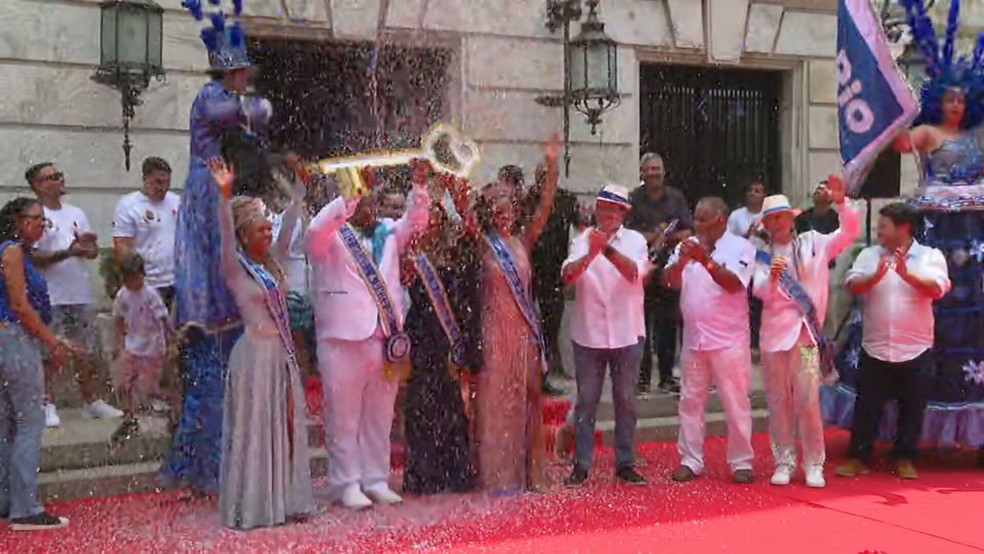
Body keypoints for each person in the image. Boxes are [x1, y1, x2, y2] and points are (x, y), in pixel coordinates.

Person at [822, 3, 984, 458]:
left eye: (961, 99)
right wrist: (898, 96)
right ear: (940, 101)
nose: (956, 104)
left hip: (974, 233)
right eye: (949, 98)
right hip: (936, 226)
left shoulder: (978, 137)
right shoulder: (927, 133)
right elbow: (895, 140)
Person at [164, 2, 274, 493]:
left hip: (217, 187)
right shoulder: (212, 97)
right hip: (207, 189)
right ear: (230, 71)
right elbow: (255, 113)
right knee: (210, 254)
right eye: (242, 71)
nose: (247, 79)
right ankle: (201, 307)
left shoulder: (224, 99)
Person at [306, 162, 430, 510]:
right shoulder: (330, 235)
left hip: (385, 338)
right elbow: (315, 231)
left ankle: (375, 478)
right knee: (343, 417)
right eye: (364, 200)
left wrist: (419, 187)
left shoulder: (389, 232)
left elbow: (417, 221)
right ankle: (346, 482)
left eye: (374, 201)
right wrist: (348, 198)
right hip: (342, 338)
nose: (371, 208)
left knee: (380, 414)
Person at [208, 157, 315, 529]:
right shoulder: (235, 268)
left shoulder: (275, 263)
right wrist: (224, 196)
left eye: (268, 230)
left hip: (280, 355)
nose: (268, 235)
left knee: (284, 426)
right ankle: (254, 506)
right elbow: (222, 236)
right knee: (256, 431)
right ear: (243, 235)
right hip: (252, 355)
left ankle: (283, 500)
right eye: (259, 231)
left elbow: (289, 227)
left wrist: (300, 188)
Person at [751, 175, 860, 488]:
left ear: (791, 218)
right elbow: (758, 292)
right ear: (766, 224)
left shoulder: (814, 242)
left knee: (808, 400)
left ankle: (814, 463)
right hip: (774, 338)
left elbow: (849, 232)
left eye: (782, 217)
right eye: (771, 219)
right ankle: (783, 460)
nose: (777, 223)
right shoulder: (761, 255)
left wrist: (842, 202)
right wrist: (772, 278)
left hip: (807, 337)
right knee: (778, 400)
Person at [833, 203, 950, 479]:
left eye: (883, 227)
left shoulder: (930, 256)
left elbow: (938, 289)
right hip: (875, 345)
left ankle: (905, 457)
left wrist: (907, 274)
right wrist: (877, 275)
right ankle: (859, 457)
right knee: (867, 405)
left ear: (904, 228)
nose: (879, 232)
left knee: (912, 406)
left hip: (916, 346)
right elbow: (853, 285)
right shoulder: (870, 255)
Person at [475, 134, 560, 494]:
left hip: (524, 330)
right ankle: (495, 476)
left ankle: (531, 474)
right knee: (495, 402)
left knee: (528, 399)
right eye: (496, 206)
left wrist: (552, 166)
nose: (503, 211)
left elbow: (544, 208)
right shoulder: (480, 243)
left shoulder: (523, 241)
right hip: (494, 329)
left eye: (508, 205)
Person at [664, 197, 756, 484]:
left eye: (703, 219)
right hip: (694, 340)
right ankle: (690, 459)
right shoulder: (686, 245)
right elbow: (668, 282)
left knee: (735, 402)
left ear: (721, 219)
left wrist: (705, 259)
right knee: (690, 402)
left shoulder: (743, 247)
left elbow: (732, 283)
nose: (697, 225)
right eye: (696, 219)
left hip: (729, 340)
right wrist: (680, 262)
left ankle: (742, 461)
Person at [561, 185, 648, 487]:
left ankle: (625, 463)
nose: (607, 215)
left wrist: (606, 250)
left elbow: (634, 273)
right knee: (587, 402)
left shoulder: (635, 240)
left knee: (626, 401)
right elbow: (568, 276)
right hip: (589, 334)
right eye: (603, 209)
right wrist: (590, 252)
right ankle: (581, 464)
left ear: (624, 213)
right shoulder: (581, 240)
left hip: (627, 332)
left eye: (614, 210)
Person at [402, 171, 483, 496]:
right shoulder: (409, 255)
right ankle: (423, 475)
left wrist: (458, 196)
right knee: (422, 407)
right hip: (422, 338)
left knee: (451, 408)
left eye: (438, 218)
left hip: (448, 340)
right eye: (429, 219)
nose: (433, 224)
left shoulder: (456, 252)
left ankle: (455, 471)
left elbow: (474, 239)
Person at [27, 162, 123, 428]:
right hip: (49, 296)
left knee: (87, 352)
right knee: (50, 354)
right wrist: (69, 251)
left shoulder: (76, 213)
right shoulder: (35, 214)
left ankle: (92, 401)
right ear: (38, 184)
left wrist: (87, 247)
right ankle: (47, 403)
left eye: (60, 175)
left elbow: (90, 252)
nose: (60, 180)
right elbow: (33, 256)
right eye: (52, 177)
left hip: (79, 293)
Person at [0, 197, 73, 530]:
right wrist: (51, 340)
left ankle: (7, 498)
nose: (43, 225)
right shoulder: (13, 251)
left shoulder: (14, 251)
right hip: (14, 338)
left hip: (8, 339)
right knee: (30, 421)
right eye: (37, 219)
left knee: (7, 425)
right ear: (17, 220)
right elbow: (19, 303)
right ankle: (25, 507)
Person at [626, 153, 693, 395]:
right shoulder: (633, 199)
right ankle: (641, 379)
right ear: (642, 172)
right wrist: (650, 237)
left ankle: (666, 377)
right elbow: (625, 232)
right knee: (639, 325)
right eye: (649, 169)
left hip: (669, 269)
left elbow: (688, 230)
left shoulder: (676, 198)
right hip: (641, 270)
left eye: (657, 169)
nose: (653, 173)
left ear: (663, 172)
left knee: (668, 324)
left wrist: (668, 237)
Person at [524, 165, 581, 386]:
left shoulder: (567, 199)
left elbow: (580, 230)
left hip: (555, 272)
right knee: (529, 324)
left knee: (551, 325)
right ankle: (529, 371)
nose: (545, 180)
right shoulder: (528, 199)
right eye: (541, 176)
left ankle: (545, 374)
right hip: (529, 270)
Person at [110, 255, 175, 444]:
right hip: (132, 344)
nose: (131, 282)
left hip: (151, 346)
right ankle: (128, 416)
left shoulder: (150, 295)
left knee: (148, 386)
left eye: (134, 278)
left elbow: (163, 319)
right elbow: (119, 318)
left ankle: (168, 405)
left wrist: (171, 341)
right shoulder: (123, 295)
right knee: (126, 381)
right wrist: (118, 343)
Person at [112, 156, 181, 310]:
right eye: (158, 182)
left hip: (176, 280)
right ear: (145, 179)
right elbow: (122, 244)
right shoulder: (129, 205)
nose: (162, 187)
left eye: (167, 182)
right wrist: (132, 276)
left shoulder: (177, 202)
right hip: (147, 282)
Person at [727, 180, 768, 248]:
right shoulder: (735, 215)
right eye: (750, 190)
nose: (752, 193)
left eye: (757, 191)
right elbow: (728, 241)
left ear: (764, 195)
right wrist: (747, 235)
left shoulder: (769, 215)